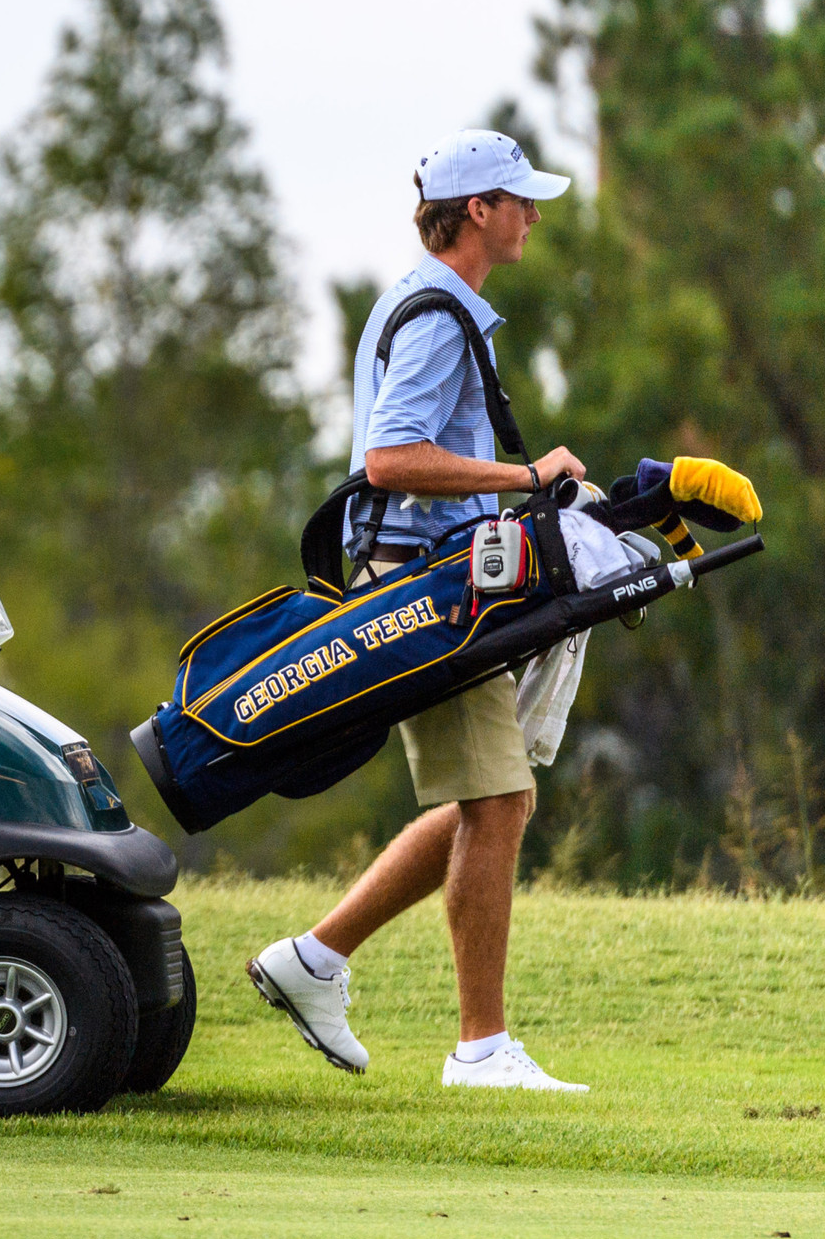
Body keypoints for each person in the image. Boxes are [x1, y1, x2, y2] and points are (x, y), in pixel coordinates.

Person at [246, 129, 590, 1091]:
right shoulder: (442, 316)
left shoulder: (433, 305)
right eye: (519, 200)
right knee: (502, 798)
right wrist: (528, 473)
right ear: (476, 210)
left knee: (488, 795)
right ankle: (480, 1048)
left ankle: (313, 959)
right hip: (425, 590)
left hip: (429, 582)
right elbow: (391, 459)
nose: (532, 213)